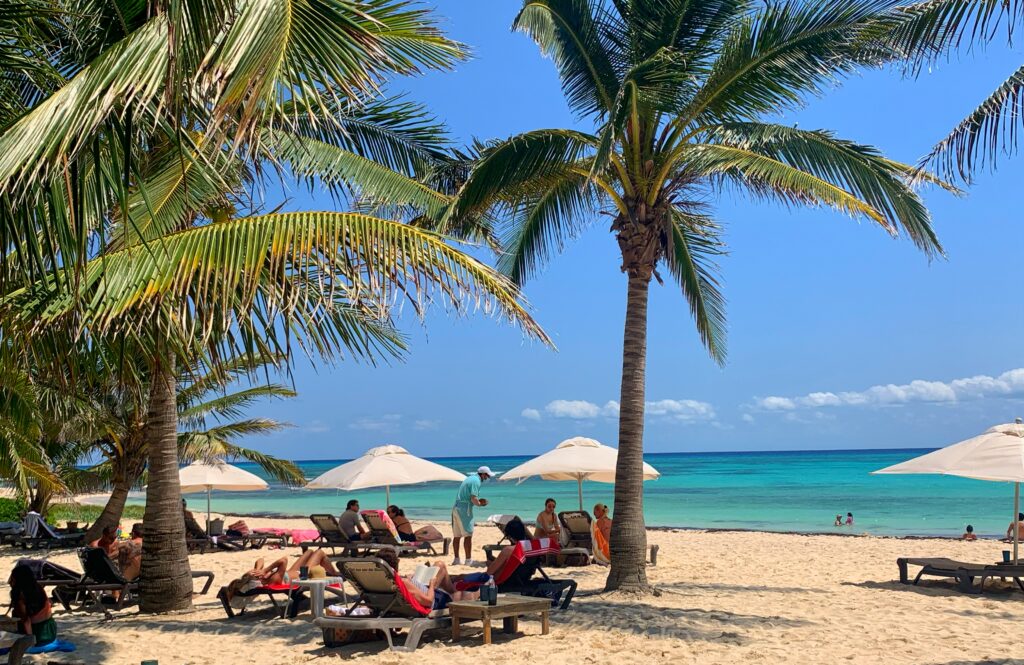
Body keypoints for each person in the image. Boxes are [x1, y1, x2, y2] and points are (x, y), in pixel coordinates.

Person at [224, 549, 340, 604]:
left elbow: (260, 559)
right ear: (260, 580)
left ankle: (329, 570)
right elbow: (283, 560)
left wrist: (258, 570)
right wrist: (266, 570)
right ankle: (334, 573)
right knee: (320, 553)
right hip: (303, 575)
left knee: (309, 551)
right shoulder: (274, 580)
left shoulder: (263, 578)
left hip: (292, 572)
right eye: (258, 576)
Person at [7, 564, 57, 647]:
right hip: (50, 630)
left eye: (12, 578)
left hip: (39, 635)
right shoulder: (38, 588)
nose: (9, 581)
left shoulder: (20, 596)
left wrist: (30, 641)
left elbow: (26, 621)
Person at [451, 466, 492, 566]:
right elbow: (473, 498)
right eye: (487, 476)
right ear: (482, 474)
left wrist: (477, 501)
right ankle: (468, 560)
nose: (487, 478)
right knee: (468, 535)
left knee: (457, 536)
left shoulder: (469, 478)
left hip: (456, 507)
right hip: (465, 509)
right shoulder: (476, 481)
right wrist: (480, 504)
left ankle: (456, 559)